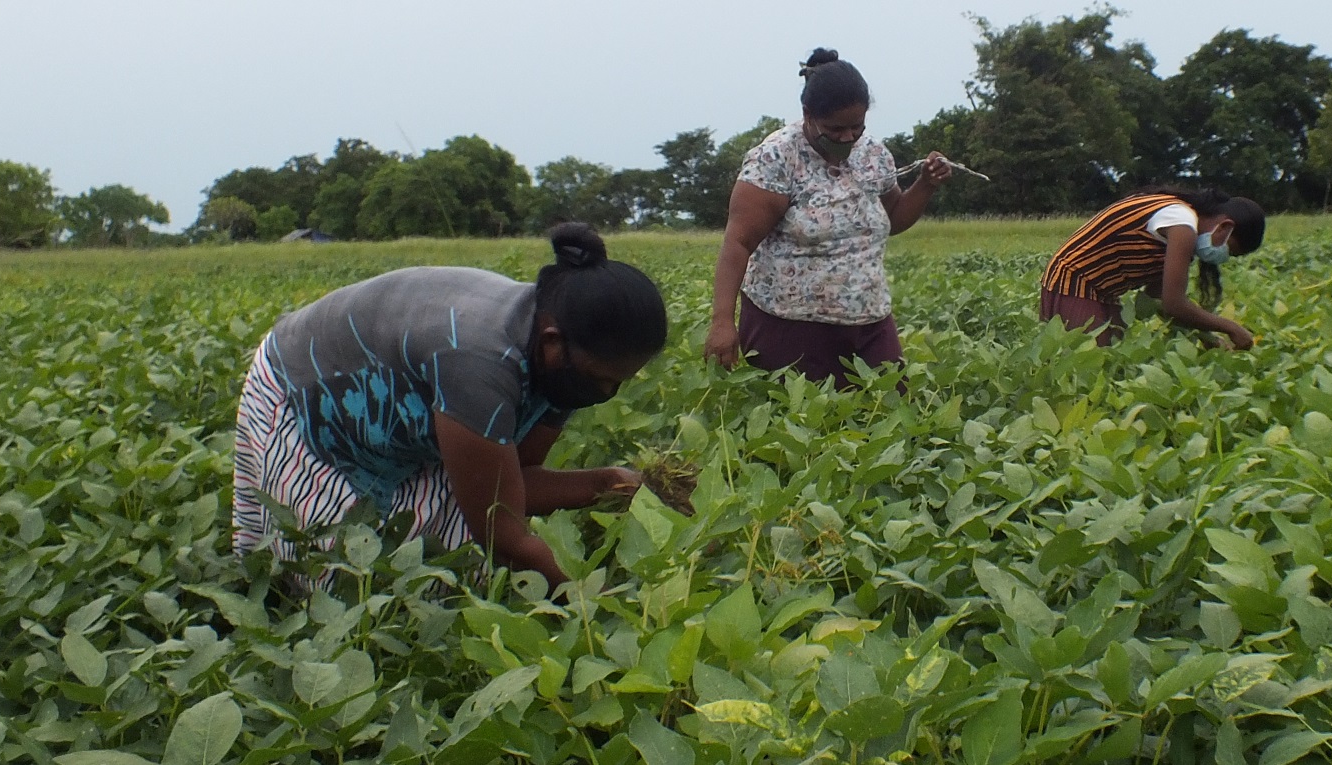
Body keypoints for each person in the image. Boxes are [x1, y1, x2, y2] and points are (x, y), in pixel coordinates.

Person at [232, 223, 669, 588]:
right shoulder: (479, 363)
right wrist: (600, 601)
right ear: (553, 343)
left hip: (416, 399)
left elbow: (515, 481)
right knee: (337, 582)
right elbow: (503, 532)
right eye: (600, 380)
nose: (605, 392)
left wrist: (614, 483)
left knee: (447, 579)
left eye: (618, 383)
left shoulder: (565, 357)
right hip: (313, 391)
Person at [703, 48, 952, 385]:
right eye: (836, 129)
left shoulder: (874, 153)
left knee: (887, 406)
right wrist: (722, 321)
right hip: (789, 326)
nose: (848, 138)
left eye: (857, 127)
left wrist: (926, 185)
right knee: (801, 422)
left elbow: (892, 217)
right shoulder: (776, 158)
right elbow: (738, 243)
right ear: (808, 115)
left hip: (869, 320)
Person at [1040, 187, 1265, 348]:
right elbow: (1174, 305)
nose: (1222, 257)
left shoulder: (1182, 230)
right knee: (1087, 369)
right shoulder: (1182, 224)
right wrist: (1231, 328)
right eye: (1230, 251)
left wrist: (1209, 339)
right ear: (1224, 227)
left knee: (1115, 357)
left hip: (1102, 292)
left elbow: (1155, 300)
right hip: (1073, 281)